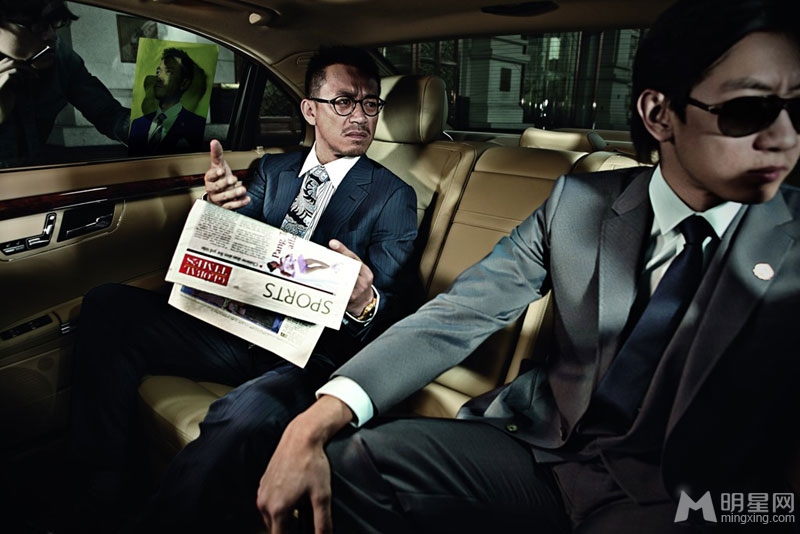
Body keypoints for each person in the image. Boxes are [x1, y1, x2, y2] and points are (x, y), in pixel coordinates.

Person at [258, 1, 800, 533]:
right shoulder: (579, 204)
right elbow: (460, 312)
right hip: (546, 449)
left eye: (797, 109)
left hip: (690, 497)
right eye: (748, 110)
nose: (784, 138)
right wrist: (318, 417)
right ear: (659, 114)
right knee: (348, 461)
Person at [67, 45, 420, 532]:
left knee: (244, 414)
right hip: (236, 327)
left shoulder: (393, 195)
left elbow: (392, 309)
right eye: (343, 102)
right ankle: (99, 495)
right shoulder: (273, 170)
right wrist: (220, 210)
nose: (359, 116)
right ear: (310, 110)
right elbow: (238, 238)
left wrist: (364, 301)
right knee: (108, 305)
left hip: (307, 354)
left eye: (370, 103)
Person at [0, 0, 130, 168]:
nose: (52, 36)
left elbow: (106, 112)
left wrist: (151, 131)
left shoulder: (61, 56)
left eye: (54, 25)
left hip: (34, 173)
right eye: (39, 26)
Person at [128, 46, 207, 156]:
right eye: (158, 72)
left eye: (168, 72)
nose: (159, 77)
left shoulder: (197, 126)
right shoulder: (138, 124)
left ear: (184, 83)